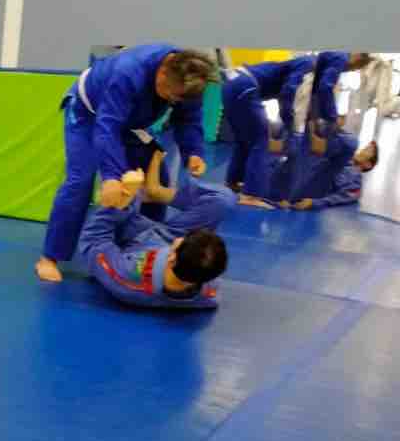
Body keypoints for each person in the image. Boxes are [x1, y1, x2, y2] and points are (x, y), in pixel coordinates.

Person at [37, 44, 218, 283]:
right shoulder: (128, 72)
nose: (172, 100)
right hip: (88, 114)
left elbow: (189, 119)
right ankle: (50, 256)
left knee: (157, 181)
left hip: (131, 122)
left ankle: (143, 247)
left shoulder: (191, 79)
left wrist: (193, 152)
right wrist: (111, 177)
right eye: (169, 93)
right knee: (81, 180)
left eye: (177, 97)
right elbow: (107, 127)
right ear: (162, 72)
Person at [77, 148, 232, 309]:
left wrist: (120, 202)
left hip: (131, 239)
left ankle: (133, 195)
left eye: (183, 240)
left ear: (171, 258)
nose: (182, 238)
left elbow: (93, 240)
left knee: (120, 186)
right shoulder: (207, 286)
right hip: (166, 238)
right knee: (222, 200)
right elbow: (198, 260)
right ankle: (155, 191)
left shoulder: (127, 277)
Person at [221, 55, 313, 206]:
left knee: (243, 140)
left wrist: (286, 121)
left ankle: (232, 182)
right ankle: (250, 196)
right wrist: (290, 124)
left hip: (230, 84)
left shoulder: (287, 68)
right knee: (261, 140)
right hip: (245, 85)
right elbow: (288, 91)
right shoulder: (308, 63)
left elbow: (283, 97)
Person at [270, 130, 378, 210]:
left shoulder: (355, 178)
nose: (362, 150)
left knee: (350, 142)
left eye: (367, 150)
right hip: (297, 174)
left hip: (311, 187)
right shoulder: (344, 161)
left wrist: (314, 202)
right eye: (365, 147)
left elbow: (344, 197)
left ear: (368, 165)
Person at [308, 51, 374, 136]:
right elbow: (325, 87)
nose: (353, 69)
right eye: (357, 66)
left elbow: (319, 88)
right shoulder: (341, 58)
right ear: (358, 57)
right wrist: (332, 116)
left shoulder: (338, 56)